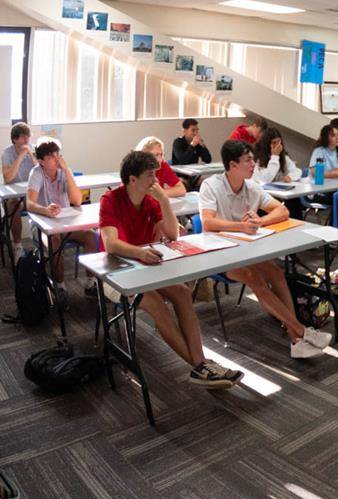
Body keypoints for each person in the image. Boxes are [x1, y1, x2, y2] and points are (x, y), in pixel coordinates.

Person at [99, 150, 242, 388]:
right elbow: (110, 244)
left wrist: (164, 201)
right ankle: (200, 365)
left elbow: (172, 234)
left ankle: (200, 364)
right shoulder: (111, 200)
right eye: (149, 175)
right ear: (132, 179)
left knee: (183, 293)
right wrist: (140, 252)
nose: (155, 180)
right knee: (155, 304)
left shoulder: (150, 201)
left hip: (147, 265)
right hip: (116, 273)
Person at [199, 140, 331, 359]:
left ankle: (296, 339)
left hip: (247, 249)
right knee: (254, 278)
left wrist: (260, 222)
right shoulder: (211, 185)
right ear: (233, 165)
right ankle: (300, 332)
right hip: (219, 254)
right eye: (248, 160)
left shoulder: (251, 187)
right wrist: (241, 226)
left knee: (276, 273)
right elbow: (207, 223)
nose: (253, 164)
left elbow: (282, 211)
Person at [26, 139, 94, 291]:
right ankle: (60, 286)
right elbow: (29, 204)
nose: (56, 159)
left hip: (65, 223)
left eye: (57, 154)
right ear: (41, 161)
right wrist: (45, 210)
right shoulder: (36, 173)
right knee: (54, 241)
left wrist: (67, 172)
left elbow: (77, 200)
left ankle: (91, 282)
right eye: (51, 156)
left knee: (91, 236)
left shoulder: (64, 171)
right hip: (42, 225)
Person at [1, 122, 37, 257]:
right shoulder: (7, 153)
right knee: (13, 205)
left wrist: (32, 156)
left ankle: (42, 243)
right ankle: (17, 246)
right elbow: (8, 178)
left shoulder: (33, 149)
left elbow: (42, 172)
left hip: (31, 194)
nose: (26, 140)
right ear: (15, 139)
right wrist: (21, 156)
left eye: (28, 136)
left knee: (47, 200)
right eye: (23, 137)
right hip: (14, 196)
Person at [252, 127, 304, 219]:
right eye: (273, 143)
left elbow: (297, 171)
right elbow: (265, 179)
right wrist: (274, 156)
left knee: (294, 200)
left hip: (280, 193)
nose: (277, 146)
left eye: (279, 142)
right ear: (267, 144)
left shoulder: (283, 157)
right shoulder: (258, 159)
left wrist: (291, 177)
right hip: (263, 196)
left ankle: (296, 222)